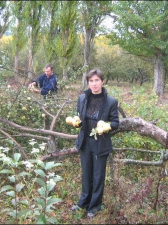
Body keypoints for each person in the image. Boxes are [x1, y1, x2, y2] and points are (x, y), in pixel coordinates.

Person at [71, 69, 119, 219]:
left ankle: (94, 206)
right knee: (86, 174)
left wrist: (107, 126)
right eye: (91, 81)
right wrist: (76, 123)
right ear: (88, 82)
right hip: (85, 142)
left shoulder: (111, 101)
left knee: (98, 176)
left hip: (100, 143)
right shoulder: (82, 98)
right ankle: (83, 203)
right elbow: (79, 118)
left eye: (97, 80)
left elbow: (116, 122)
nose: (94, 84)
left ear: (102, 82)